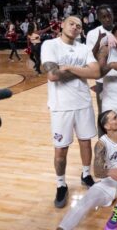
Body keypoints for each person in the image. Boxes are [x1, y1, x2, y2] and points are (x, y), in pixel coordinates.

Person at [41, 16, 101, 208]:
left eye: (79, 26)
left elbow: (96, 73)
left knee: (86, 143)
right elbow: (52, 75)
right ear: (62, 25)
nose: (75, 27)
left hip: (83, 103)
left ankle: (86, 174)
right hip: (61, 106)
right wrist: (81, 69)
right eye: (72, 24)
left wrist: (67, 67)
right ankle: (61, 184)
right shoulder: (50, 45)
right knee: (60, 149)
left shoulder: (83, 48)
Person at [57, 110, 117, 230]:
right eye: (115, 118)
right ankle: (62, 228)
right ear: (107, 126)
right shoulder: (101, 144)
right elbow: (97, 171)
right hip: (110, 184)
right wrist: (112, 172)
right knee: (84, 202)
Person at [86, 4, 114, 137]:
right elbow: (90, 55)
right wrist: (99, 39)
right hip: (102, 80)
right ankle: (102, 141)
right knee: (103, 112)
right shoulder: (93, 33)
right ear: (99, 18)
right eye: (104, 17)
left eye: (109, 16)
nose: (107, 19)